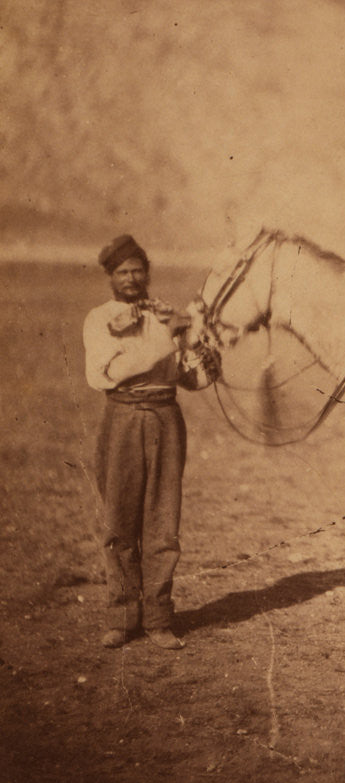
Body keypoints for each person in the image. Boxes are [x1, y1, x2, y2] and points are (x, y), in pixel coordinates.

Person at [83, 234, 219, 650]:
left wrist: (196, 343)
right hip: (122, 419)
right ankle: (122, 618)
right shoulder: (98, 318)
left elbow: (195, 379)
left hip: (165, 419)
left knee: (163, 522)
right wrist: (167, 338)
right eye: (122, 272)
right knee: (118, 521)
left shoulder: (165, 316)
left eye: (137, 270)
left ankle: (159, 619)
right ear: (111, 277)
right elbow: (107, 374)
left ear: (147, 273)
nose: (130, 278)